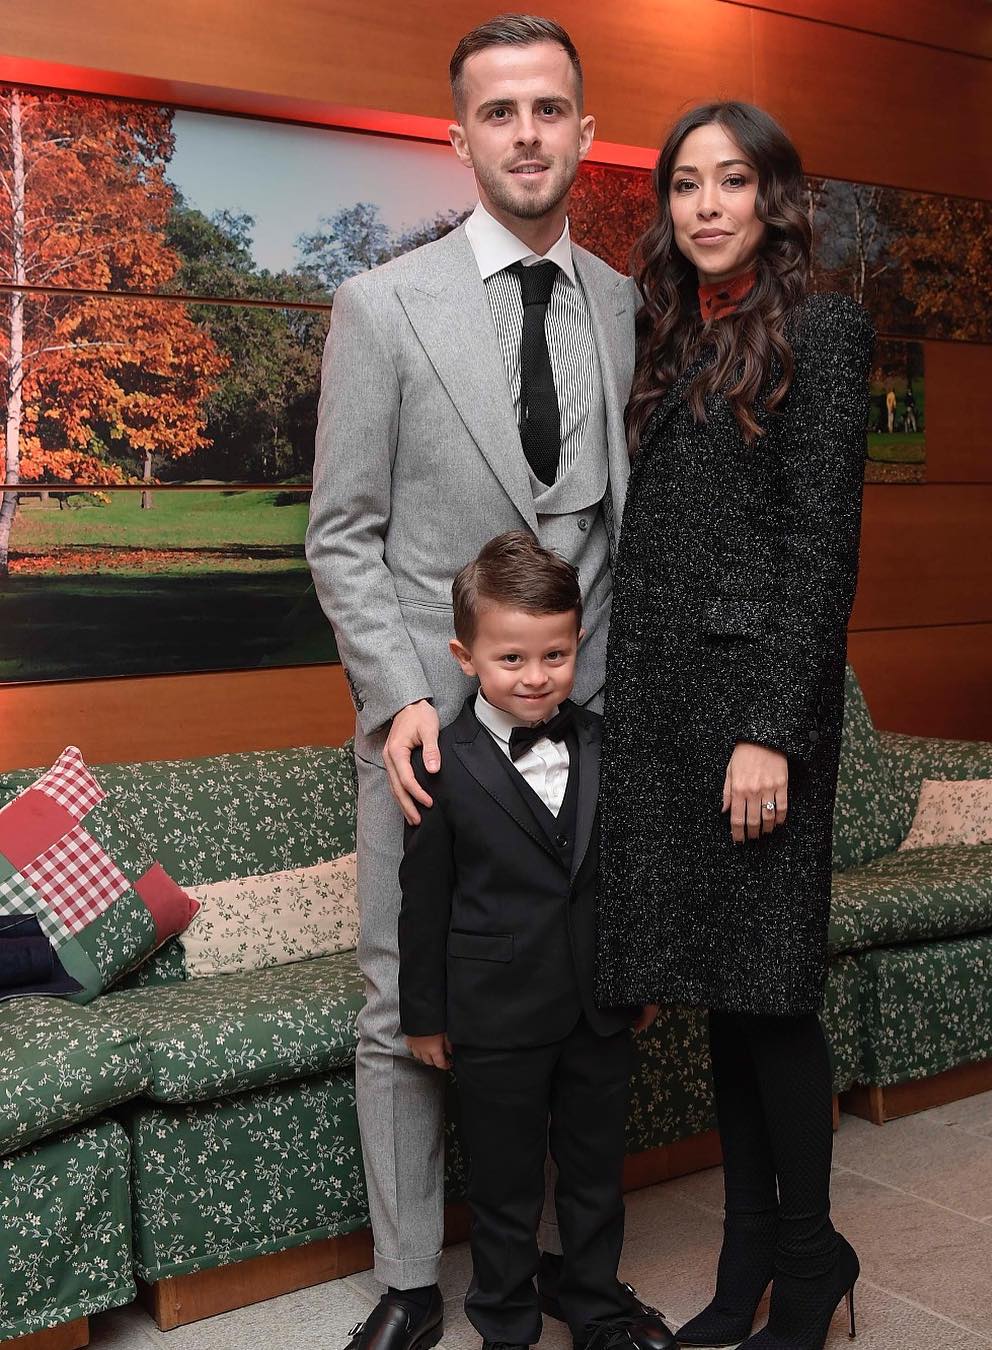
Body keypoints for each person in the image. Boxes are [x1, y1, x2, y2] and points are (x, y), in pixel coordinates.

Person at [306, 15, 667, 1350]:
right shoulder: (381, 304)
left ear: (584, 131)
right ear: (458, 136)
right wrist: (401, 695)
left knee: (589, 1001)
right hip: (426, 723)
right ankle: (411, 1281)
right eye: (500, 111)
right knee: (403, 1001)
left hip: (592, 727)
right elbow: (342, 532)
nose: (526, 133)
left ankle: (579, 1275)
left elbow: (628, 528)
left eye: (549, 109)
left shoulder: (628, 305)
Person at [594, 101, 874, 1350]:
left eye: (732, 181)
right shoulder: (675, 333)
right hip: (668, 710)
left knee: (772, 994)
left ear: (774, 196)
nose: (706, 205)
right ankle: (749, 1254)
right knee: (725, 992)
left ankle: (808, 1262)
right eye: (685, 184)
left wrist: (772, 730)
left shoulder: (826, 329)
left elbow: (822, 552)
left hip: (756, 719)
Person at [399, 532, 658, 1350]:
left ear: (579, 643)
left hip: (598, 1009)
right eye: (512, 658)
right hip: (495, 1018)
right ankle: (506, 1325)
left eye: (556, 654)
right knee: (505, 1190)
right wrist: (424, 1015)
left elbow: (632, 875)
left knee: (595, 1179)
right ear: (465, 657)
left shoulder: (608, 744)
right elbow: (423, 903)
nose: (536, 676)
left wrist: (640, 977)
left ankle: (598, 1312)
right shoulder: (440, 762)